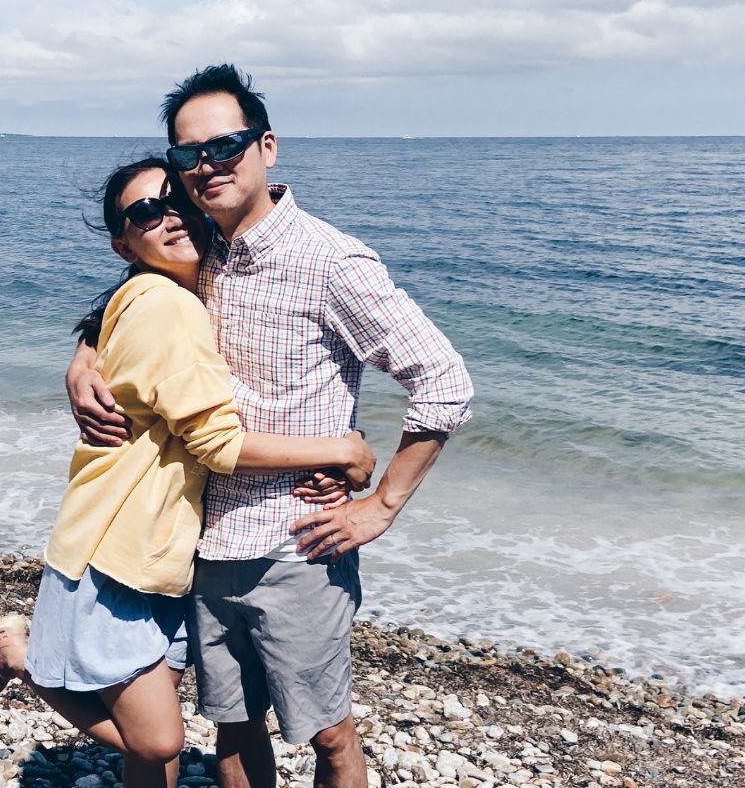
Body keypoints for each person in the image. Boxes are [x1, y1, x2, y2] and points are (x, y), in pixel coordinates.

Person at [67, 66, 474, 788]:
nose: (206, 165)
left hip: (298, 548)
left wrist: (378, 506)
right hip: (203, 543)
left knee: (328, 736)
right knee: (232, 729)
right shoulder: (201, 246)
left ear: (267, 147)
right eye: (189, 154)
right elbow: (136, 298)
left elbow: (443, 383)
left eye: (224, 145)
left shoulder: (329, 260)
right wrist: (85, 354)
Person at [0, 157, 376, 788]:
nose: (170, 217)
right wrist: (341, 450)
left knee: (149, 748)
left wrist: (81, 359)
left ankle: (30, 658)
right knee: (158, 742)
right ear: (123, 242)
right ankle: (23, 657)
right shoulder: (169, 307)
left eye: (176, 200)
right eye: (144, 213)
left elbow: (109, 328)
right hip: (116, 548)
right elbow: (216, 442)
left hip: (163, 551)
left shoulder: (178, 289)